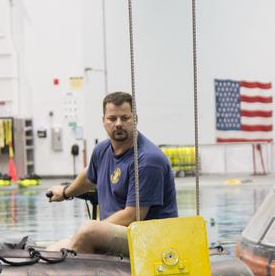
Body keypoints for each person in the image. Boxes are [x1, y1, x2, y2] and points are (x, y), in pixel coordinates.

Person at [46, 91, 178, 256]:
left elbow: (133, 215)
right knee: (52, 250)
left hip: (151, 240)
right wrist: (65, 192)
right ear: (103, 121)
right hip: (119, 233)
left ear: (135, 119)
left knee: (88, 231)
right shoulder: (102, 150)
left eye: (124, 118)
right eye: (112, 118)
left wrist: (89, 233)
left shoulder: (148, 160)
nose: (118, 123)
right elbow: (88, 176)